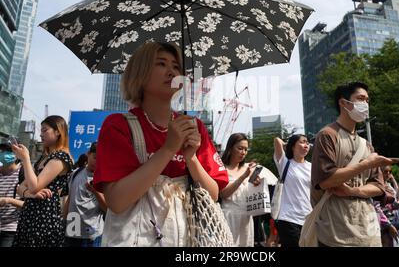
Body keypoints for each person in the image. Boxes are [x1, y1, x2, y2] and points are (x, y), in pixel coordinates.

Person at [93, 42, 228, 247]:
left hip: (187, 239)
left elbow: (213, 196)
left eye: (176, 66)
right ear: (140, 72)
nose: (171, 71)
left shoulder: (194, 127)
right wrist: (168, 149)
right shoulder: (118, 125)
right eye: (161, 64)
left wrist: (191, 158)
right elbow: (117, 202)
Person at [311, 82, 397, 247]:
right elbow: (325, 181)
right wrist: (365, 165)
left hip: (367, 228)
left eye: (367, 100)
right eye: (360, 99)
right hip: (336, 229)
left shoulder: (366, 144)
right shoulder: (327, 136)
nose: (365, 104)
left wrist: (353, 190)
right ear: (343, 103)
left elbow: (379, 186)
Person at [11, 116, 74, 247]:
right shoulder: (44, 158)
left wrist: (26, 159)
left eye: (45, 130)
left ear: (58, 132)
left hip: (45, 217)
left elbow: (34, 185)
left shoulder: (61, 157)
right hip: (30, 215)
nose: (41, 134)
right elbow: (20, 187)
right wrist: (30, 194)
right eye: (41, 130)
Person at [219, 133, 260, 247]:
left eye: (246, 149)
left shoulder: (248, 168)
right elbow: (223, 194)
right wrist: (243, 177)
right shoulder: (222, 168)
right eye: (240, 148)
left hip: (247, 217)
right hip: (229, 216)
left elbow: (250, 192)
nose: (243, 152)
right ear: (231, 148)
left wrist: (256, 183)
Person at [273, 134, 312, 247]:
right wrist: (287, 145)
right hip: (288, 218)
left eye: (307, 143)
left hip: (308, 218)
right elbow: (277, 140)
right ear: (293, 147)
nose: (306, 145)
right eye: (302, 142)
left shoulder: (312, 167)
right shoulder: (285, 163)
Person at [64, 142, 106, 247]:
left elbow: (107, 208)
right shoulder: (76, 173)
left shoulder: (104, 180)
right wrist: (64, 220)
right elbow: (70, 199)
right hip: (72, 230)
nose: (96, 162)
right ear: (88, 154)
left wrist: (95, 191)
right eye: (95, 157)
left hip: (91, 233)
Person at [0, 141, 24, 247]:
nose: (3, 154)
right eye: (1, 151)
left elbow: (29, 205)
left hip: (11, 229)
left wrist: (8, 200)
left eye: (8, 151)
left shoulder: (23, 174)